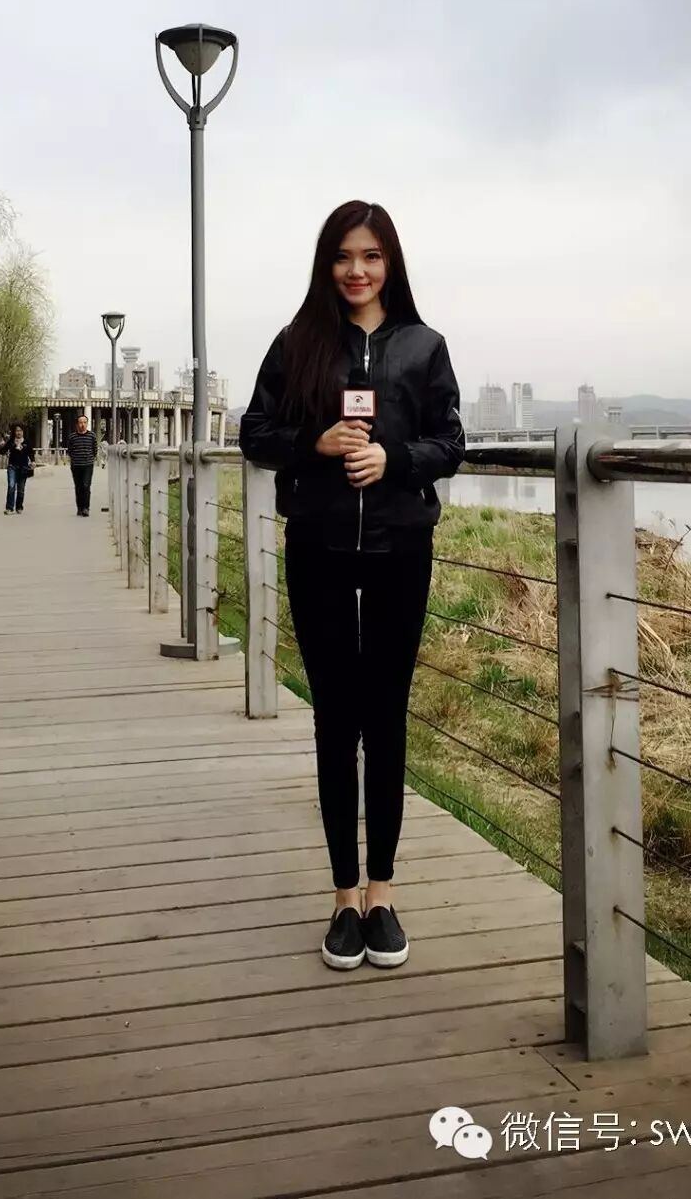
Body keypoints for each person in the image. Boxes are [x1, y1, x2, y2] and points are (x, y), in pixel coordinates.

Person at [239, 199, 464, 972]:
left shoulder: (424, 347)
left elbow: (450, 442)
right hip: (320, 547)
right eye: (343, 255)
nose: (357, 269)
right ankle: (342, 898)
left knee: (387, 717)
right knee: (335, 720)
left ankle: (382, 894)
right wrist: (319, 443)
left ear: (390, 262)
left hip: (401, 547)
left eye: (370, 255)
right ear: (326, 263)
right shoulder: (297, 342)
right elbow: (255, 433)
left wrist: (395, 460)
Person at [0, 423, 33, 514]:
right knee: (11, 486)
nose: (19, 432)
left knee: (21, 489)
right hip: (12, 467)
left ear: (23, 432)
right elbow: (2, 451)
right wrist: (2, 445)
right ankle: (9, 508)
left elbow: (31, 453)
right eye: (17, 430)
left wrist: (33, 461)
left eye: (20, 430)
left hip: (23, 468)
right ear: (14, 432)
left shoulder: (27, 442)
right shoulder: (11, 441)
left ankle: (19, 507)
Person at [67, 413, 97, 516]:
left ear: (87, 423)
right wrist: (75, 459)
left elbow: (94, 450)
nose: (82, 424)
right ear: (77, 424)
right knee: (78, 486)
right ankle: (79, 507)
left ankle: (86, 508)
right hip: (76, 465)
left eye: (85, 422)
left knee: (86, 486)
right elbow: (70, 451)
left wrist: (90, 458)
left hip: (88, 465)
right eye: (80, 422)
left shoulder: (92, 436)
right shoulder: (72, 437)